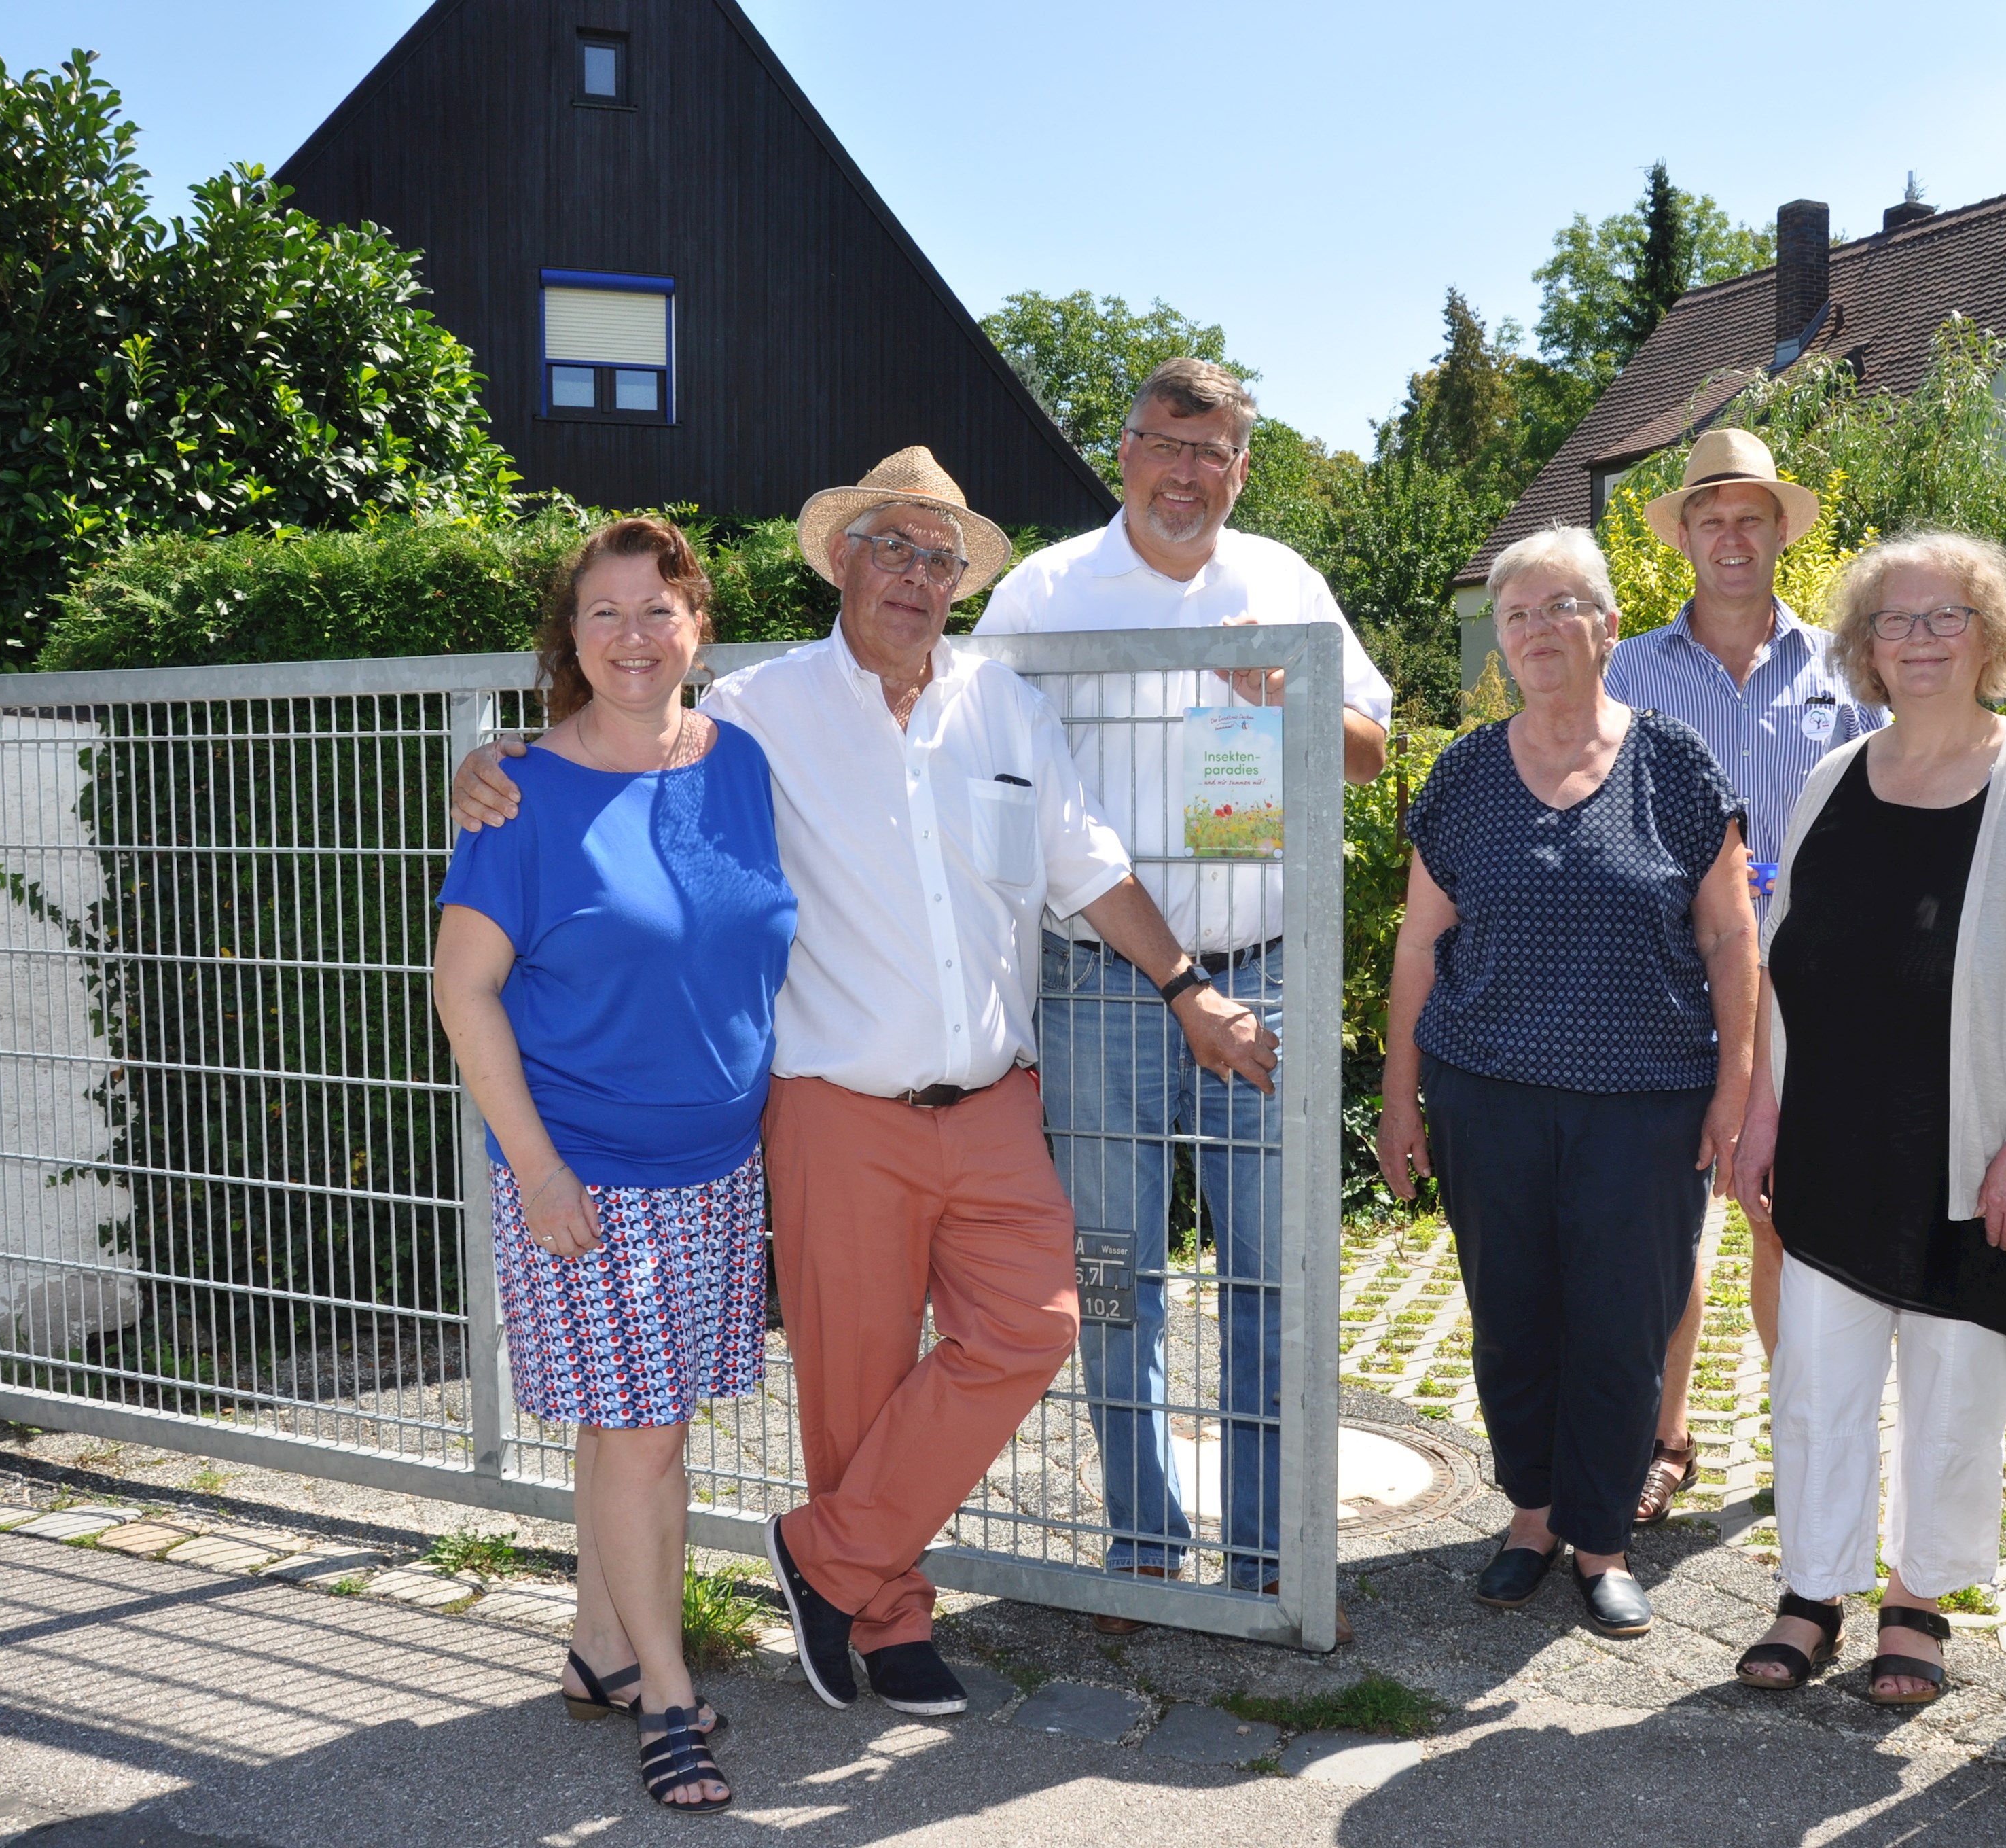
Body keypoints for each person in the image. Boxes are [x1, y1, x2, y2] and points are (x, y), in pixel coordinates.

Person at [449, 449, 1275, 1717]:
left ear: (960, 583)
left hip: (992, 1097)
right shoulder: (766, 711)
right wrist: (499, 763)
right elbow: (629, 724)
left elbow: (1088, 863)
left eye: (939, 557)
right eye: (891, 547)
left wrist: (1185, 984)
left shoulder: (1004, 707)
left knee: (1036, 1323)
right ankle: (885, 1622)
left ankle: (825, 1560)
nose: (915, 575)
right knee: (855, 1380)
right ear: (841, 561)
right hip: (835, 1106)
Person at [975, 358, 1391, 1630]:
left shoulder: (1283, 584)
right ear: (1126, 453)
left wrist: (1292, 698)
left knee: (1272, 1276)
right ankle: (1145, 1547)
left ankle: (1266, 1562)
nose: (1189, 474)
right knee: (1117, 1277)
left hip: (1261, 979)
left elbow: (1374, 755)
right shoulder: (1044, 591)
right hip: (1100, 988)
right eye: (1168, 445)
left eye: (1215, 454)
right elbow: (968, 756)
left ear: (1243, 468)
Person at [431, 517, 792, 1815]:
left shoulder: (740, 761)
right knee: (642, 1438)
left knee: (640, 1428)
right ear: (569, 637)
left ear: (697, 622)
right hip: (585, 1174)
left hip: (715, 1166)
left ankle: (599, 1649)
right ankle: (671, 1700)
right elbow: (462, 992)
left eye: (657, 609)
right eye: (605, 613)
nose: (632, 637)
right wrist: (533, 1170)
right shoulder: (521, 793)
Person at [1727, 529, 2006, 1705]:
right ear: (1866, 648)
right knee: (1816, 1384)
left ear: (1990, 639)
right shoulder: (1833, 776)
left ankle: (1917, 1602)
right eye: (1898, 621)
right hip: (1835, 1143)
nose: (1922, 640)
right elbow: (1782, 961)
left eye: (1948, 618)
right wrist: (1759, 1116)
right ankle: (1811, 1592)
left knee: (1954, 1388)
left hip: (1975, 1150)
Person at [1375, 526, 1757, 1639]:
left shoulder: (1675, 764)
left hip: (1645, 1103)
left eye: (1558, 608)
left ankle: (1603, 1542)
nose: (1537, 630)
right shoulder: (1462, 773)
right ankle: (1530, 1519)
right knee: (1512, 1316)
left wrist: (1734, 1093)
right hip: (1487, 1093)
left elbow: (1734, 944)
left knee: (1622, 1325)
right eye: (1517, 615)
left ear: (1604, 625)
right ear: (1503, 641)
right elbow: (1417, 947)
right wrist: (1401, 1093)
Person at [1594, 427, 1882, 1529]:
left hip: (1808, 986)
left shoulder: (1843, 670)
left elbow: (1883, 806)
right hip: (1669, 980)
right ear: (1685, 539)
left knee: (1784, 1220)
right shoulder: (1629, 671)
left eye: (1749, 517)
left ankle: (1802, 1442)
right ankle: (1663, 1442)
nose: (1730, 536)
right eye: (1710, 518)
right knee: (1671, 1227)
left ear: (1775, 535)